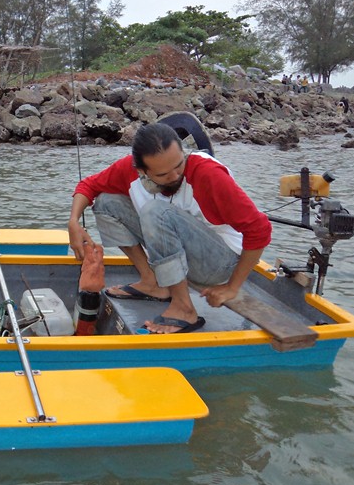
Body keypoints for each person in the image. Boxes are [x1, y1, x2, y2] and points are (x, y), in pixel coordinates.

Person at [67, 122, 272, 334]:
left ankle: (184, 307)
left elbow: (260, 229)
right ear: (141, 172)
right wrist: (73, 221)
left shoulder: (208, 174)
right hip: (182, 252)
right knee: (106, 202)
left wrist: (232, 287)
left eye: (179, 165)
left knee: (156, 210)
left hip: (220, 264)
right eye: (163, 175)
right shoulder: (128, 171)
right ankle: (152, 281)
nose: (175, 176)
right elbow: (88, 186)